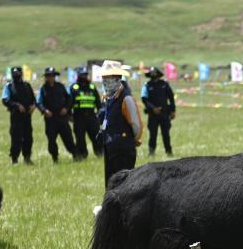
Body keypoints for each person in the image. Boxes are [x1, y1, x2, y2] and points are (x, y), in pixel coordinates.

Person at [99, 60, 142, 188]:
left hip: (123, 148)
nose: (105, 81)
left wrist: (130, 139)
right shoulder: (108, 98)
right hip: (109, 146)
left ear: (117, 78)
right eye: (104, 78)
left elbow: (136, 125)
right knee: (110, 183)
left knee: (123, 185)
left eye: (108, 78)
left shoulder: (126, 99)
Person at [37, 67, 76, 163]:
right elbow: (39, 102)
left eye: (52, 75)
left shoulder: (61, 86)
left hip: (62, 117)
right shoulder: (43, 89)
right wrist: (44, 110)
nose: (50, 77)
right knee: (51, 140)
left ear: (55, 76)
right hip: (50, 119)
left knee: (68, 138)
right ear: (46, 77)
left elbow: (69, 99)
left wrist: (66, 108)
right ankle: (55, 158)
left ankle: (76, 155)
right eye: (48, 76)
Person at [1, 67, 37, 165]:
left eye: (18, 73)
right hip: (16, 117)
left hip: (27, 117)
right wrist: (17, 106)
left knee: (28, 138)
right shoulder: (9, 86)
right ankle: (14, 159)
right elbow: (5, 100)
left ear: (21, 73)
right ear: (12, 74)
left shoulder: (27, 85)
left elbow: (34, 99)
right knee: (16, 138)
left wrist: (34, 106)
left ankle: (27, 158)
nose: (17, 75)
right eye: (15, 73)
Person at [141, 66, 176, 156]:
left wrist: (173, 110)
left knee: (166, 134)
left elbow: (171, 97)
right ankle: (151, 153)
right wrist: (153, 108)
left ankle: (169, 152)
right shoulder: (147, 85)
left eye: (155, 74)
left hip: (164, 113)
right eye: (152, 74)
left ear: (158, 75)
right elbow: (144, 99)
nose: (154, 76)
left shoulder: (165, 84)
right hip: (152, 114)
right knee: (153, 134)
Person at [70, 67, 103, 159]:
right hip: (78, 117)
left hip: (92, 116)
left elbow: (98, 103)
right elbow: (69, 103)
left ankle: (100, 153)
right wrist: (69, 116)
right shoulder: (74, 88)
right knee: (80, 139)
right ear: (79, 76)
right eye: (82, 75)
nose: (84, 76)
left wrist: (99, 114)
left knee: (96, 137)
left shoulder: (92, 87)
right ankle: (82, 156)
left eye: (85, 74)